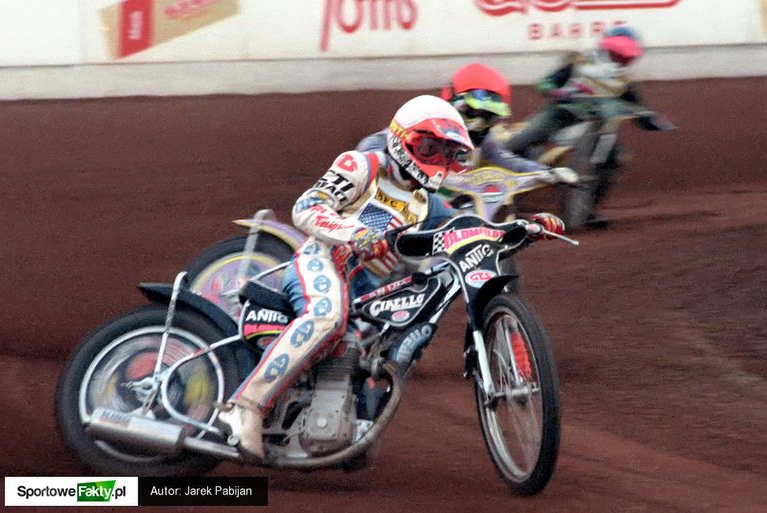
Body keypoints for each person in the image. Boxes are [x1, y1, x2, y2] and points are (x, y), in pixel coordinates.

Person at [218, 95, 478, 459]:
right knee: (327, 317)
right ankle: (246, 406)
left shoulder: (427, 204)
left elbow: (465, 228)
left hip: (364, 297)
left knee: (369, 357)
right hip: (322, 260)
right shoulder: (363, 165)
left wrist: (520, 228)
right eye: (429, 148)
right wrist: (354, 233)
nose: (437, 161)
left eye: (447, 154)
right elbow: (307, 206)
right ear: (404, 139)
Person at [504, 26, 661, 226]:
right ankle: (504, 200)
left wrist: (650, 119)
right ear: (608, 50)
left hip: (597, 126)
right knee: (518, 142)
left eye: (626, 58)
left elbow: (639, 108)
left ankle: (587, 211)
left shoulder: (625, 81)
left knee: (614, 159)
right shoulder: (578, 62)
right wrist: (555, 92)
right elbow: (545, 83)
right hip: (561, 113)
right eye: (620, 55)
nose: (623, 61)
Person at [358, 63, 576, 184]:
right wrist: (370, 164)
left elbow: (508, 160)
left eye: (488, 116)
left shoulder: (484, 140)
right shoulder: (425, 121)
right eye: (475, 113)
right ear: (455, 103)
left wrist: (548, 172)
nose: (480, 124)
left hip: (455, 205)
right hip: (409, 200)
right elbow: (376, 142)